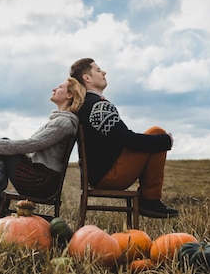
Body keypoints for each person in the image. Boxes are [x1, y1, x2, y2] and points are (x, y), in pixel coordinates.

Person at [70, 58, 178, 218]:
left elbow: (121, 139)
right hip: (109, 176)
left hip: (98, 174)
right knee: (157, 133)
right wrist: (165, 141)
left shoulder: (86, 104)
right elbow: (127, 139)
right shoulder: (98, 106)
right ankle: (150, 199)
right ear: (87, 78)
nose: (104, 72)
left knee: (155, 137)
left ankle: (150, 199)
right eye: (98, 70)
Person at [0, 77, 86, 216]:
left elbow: (33, 144)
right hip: (40, 176)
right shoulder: (61, 121)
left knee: (1, 145)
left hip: (40, 182)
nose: (54, 89)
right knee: (3, 145)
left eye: (60, 87)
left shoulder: (64, 123)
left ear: (69, 95)